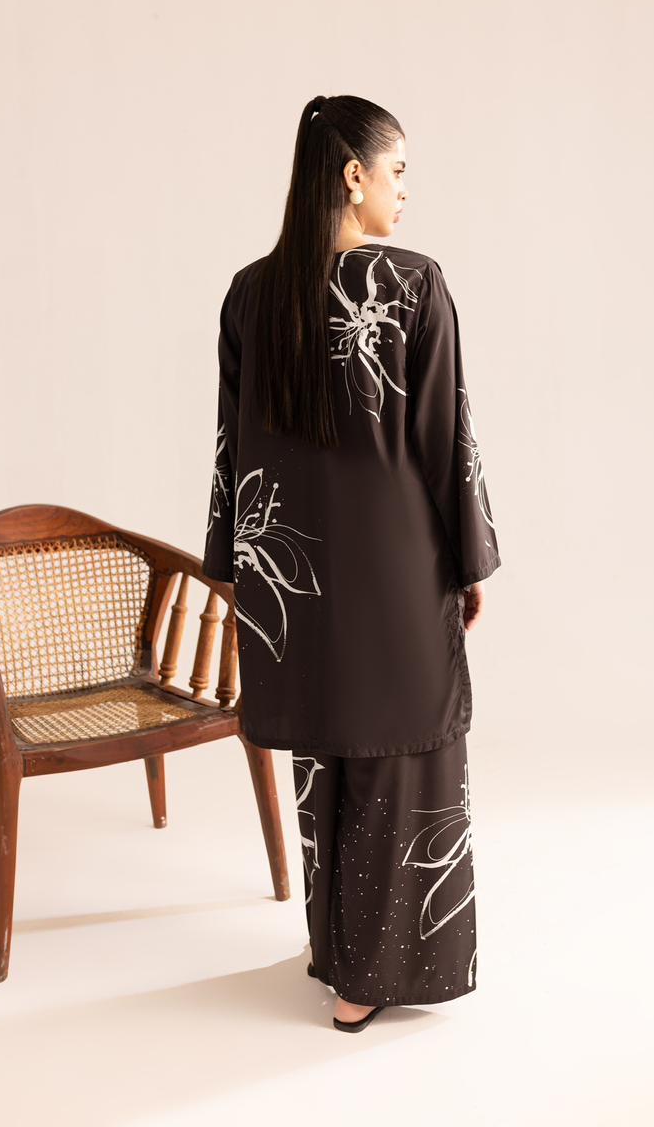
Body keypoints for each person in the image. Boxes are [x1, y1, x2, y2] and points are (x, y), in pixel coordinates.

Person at [201, 94, 501, 1032]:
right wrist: (471, 559)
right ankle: (366, 979)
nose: (405, 191)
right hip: (395, 573)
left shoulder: (252, 293)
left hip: (291, 579)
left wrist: (234, 565)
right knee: (401, 759)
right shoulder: (412, 285)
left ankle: (334, 949)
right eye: (397, 171)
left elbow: (233, 448)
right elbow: (445, 441)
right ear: (352, 174)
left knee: (328, 756)